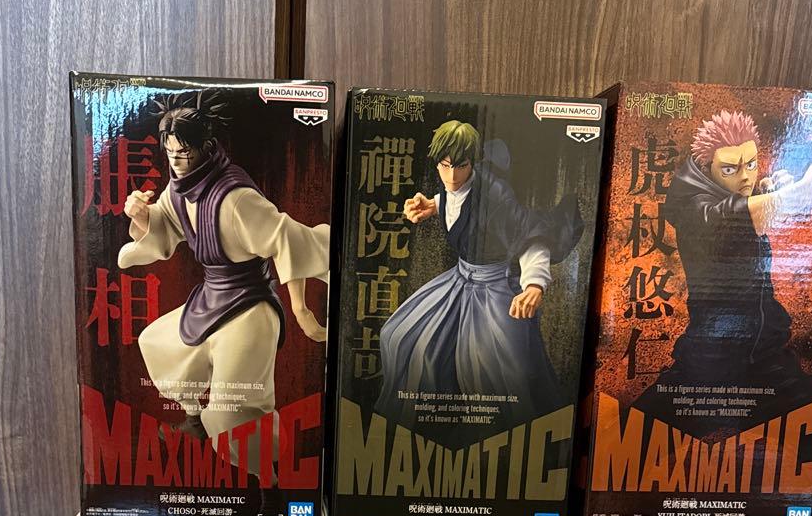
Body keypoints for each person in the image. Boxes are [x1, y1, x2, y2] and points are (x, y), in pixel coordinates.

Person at [118, 92, 329, 478]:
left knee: (234, 409)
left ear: (204, 147)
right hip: (213, 295)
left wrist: (300, 309)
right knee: (158, 343)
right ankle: (194, 420)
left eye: (183, 153)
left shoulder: (235, 198)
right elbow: (164, 223)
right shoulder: (179, 188)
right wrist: (142, 215)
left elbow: (286, 239)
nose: (176, 162)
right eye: (170, 153)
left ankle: (269, 481)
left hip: (250, 306)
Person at [637, 108, 812, 429]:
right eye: (730, 169)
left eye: (750, 164)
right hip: (708, 367)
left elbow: (747, 215)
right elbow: (731, 219)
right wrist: (803, 193)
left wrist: (771, 192)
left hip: (767, 359)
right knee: (628, 439)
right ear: (707, 170)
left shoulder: (737, 194)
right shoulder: (695, 209)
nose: (746, 176)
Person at [375, 119, 583, 435]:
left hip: (494, 288)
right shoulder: (451, 186)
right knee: (398, 336)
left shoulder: (495, 196)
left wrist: (534, 285)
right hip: (460, 281)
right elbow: (456, 202)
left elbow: (529, 236)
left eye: (460, 166)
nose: (452, 176)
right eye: (445, 166)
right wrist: (431, 205)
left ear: (472, 162)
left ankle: (518, 446)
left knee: (503, 374)